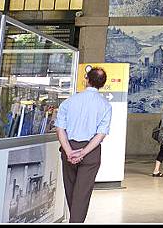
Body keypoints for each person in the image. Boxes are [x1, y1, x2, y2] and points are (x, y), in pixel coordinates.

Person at [56, 67, 112, 223]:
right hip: (91, 152)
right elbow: (100, 135)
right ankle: (76, 221)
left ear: (86, 79)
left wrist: (69, 152)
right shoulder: (105, 105)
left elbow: (60, 128)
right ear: (103, 84)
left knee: (70, 190)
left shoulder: (69, 101)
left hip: (69, 149)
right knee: (82, 194)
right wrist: (83, 153)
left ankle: (74, 220)